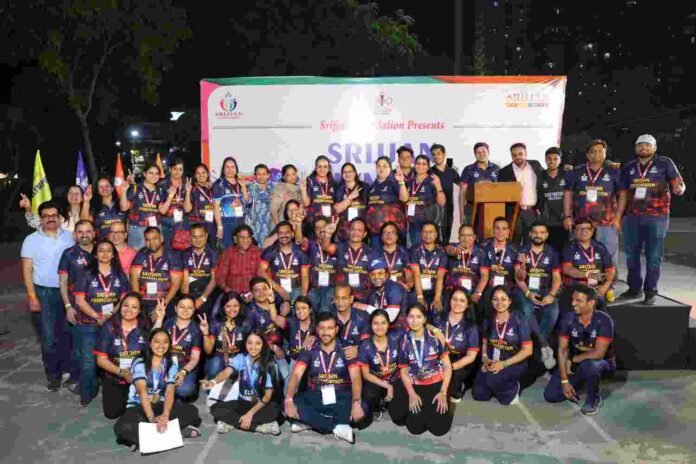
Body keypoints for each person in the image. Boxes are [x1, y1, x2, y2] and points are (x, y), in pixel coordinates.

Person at [615, 134, 686, 305]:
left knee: (653, 255)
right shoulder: (629, 167)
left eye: (647, 145)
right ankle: (634, 289)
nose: (643, 148)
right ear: (636, 148)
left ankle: (650, 291)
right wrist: (619, 216)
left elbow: (678, 184)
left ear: (654, 148)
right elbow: (623, 193)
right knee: (631, 255)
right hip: (632, 217)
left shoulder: (664, 162)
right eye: (640, 145)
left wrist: (679, 189)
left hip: (657, 217)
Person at [113, 328, 202, 451]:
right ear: (150, 344)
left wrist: (165, 415)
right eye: (157, 342)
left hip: (161, 405)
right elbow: (142, 392)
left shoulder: (171, 364)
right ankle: (172, 433)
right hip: (140, 407)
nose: (161, 345)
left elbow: (169, 391)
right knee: (122, 427)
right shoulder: (140, 362)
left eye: (165, 342)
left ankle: (146, 439)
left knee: (191, 411)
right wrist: (151, 419)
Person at [284, 312, 365, 444]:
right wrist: (288, 399)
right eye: (322, 328)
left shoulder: (347, 348)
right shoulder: (309, 347)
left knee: (364, 408)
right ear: (317, 330)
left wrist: (356, 403)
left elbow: (356, 377)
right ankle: (337, 427)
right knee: (287, 405)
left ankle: (310, 422)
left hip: (341, 395)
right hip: (316, 394)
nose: (325, 332)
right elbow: (296, 374)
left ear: (336, 329)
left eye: (330, 328)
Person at [21, 201, 76, 392]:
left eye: (54, 215)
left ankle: (67, 369)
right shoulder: (31, 240)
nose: (50, 219)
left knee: (67, 332)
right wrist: (32, 296)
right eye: (46, 216)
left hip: (68, 292)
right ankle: (53, 375)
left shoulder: (69, 237)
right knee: (49, 336)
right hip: (44, 293)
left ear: (59, 217)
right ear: (41, 218)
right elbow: (27, 270)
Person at [563, 139, 621, 301]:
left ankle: (608, 287)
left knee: (609, 255)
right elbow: (568, 194)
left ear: (605, 153)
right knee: (579, 255)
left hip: (606, 221)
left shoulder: (614, 172)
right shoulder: (577, 171)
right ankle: (579, 286)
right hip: (581, 222)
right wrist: (567, 216)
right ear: (587, 155)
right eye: (593, 151)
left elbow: (623, 194)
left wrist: (617, 217)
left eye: (600, 151)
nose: (597, 154)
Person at [73, 240, 130, 406]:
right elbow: (79, 300)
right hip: (88, 324)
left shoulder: (120, 275)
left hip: (112, 325)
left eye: (108, 251)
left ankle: (113, 392)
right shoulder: (86, 273)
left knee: (112, 359)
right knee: (88, 362)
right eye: (101, 250)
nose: (105, 254)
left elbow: (124, 299)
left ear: (113, 254)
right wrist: (97, 316)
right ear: (95, 254)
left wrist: (111, 314)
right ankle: (87, 393)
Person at [544, 285, 616, 415]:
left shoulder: (604, 320)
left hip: (602, 364)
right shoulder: (568, 318)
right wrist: (565, 381)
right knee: (551, 395)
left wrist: (573, 359)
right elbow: (562, 350)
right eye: (573, 300)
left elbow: (599, 353)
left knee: (591, 365)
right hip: (576, 365)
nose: (573, 303)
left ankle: (594, 398)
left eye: (578, 300)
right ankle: (584, 382)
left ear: (591, 303)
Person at [390, 303, 453, 436]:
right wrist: (412, 394)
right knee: (415, 429)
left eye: (418, 317)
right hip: (416, 385)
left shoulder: (436, 338)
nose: (414, 320)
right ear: (406, 319)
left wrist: (443, 392)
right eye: (411, 317)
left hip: (436, 385)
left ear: (424, 319)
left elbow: (447, 366)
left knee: (440, 429)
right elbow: (404, 372)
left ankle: (435, 407)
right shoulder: (403, 342)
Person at [206, 331, 282, 435]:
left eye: (258, 343)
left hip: (261, 405)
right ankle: (258, 427)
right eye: (250, 343)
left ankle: (233, 423)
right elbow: (227, 371)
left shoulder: (270, 364)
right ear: (245, 344)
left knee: (275, 411)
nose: (253, 347)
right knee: (215, 409)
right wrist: (213, 381)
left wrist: (250, 414)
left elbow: (267, 397)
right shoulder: (241, 358)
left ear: (263, 345)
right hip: (243, 403)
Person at [472, 286, 533, 405]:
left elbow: (528, 350)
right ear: (491, 301)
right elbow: (485, 341)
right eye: (495, 299)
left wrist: (503, 364)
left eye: (503, 299)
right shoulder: (488, 319)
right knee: (479, 395)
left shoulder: (520, 320)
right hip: (493, 361)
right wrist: (485, 359)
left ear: (510, 301)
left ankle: (515, 386)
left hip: (513, 362)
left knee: (504, 397)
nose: (499, 303)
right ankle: (498, 384)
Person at [94, 292, 149, 419]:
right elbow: (100, 360)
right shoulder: (109, 326)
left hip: (138, 377)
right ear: (120, 306)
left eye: (134, 307)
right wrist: (121, 372)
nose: (129, 310)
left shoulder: (145, 327)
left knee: (138, 413)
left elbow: (155, 349)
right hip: (115, 376)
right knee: (112, 414)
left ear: (140, 310)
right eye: (125, 305)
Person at [514, 221, 561, 369]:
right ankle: (544, 345)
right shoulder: (522, 251)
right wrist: (528, 293)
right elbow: (519, 278)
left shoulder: (552, 252)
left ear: (546, 235)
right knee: (527, 310)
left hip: (545, 290)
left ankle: (537, 345)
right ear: (530, 234)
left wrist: (551, 295)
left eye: (541, 232)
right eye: (535, 232)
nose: (538, 235)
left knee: (553, 311)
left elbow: (557, 278)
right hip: (526, 289)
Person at [57, 219, 96, 395]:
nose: (84, 235)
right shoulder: (68, 254)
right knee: (79, 347)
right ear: (75, 235)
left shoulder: (103, 250)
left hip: (100, 308)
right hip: (77, 309)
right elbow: (63, 282)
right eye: (80, 232)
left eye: (88, 231)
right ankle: (77, 379)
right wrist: (67, 306)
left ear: (94, 233)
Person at [153, 296, 203, 401]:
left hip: (184, 366)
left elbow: (195, 359)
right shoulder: (168, 323)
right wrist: (160, 318)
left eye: (189, 308)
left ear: (194, 310)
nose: (185, 310)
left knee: (184, 390)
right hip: (165, 363)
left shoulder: (196, 330)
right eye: (182, 307)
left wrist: (183, 373)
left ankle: (186, 390)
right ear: (175, 308)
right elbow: (153, 339)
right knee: (156, 383)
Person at [434, 288, 479, 402]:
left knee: (452, 393)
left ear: (468, 304)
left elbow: (471, 356)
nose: (457, 303)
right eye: (454, 299)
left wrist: (450, 367)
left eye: (462, 300)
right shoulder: (439, 317)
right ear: (449, 300)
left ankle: (460, 385)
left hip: (458, 361)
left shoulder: (471, 326)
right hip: (437, 357)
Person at [561, 219, 615, 310]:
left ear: (592, 231)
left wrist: (606, 286)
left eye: (587, 229)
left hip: (596, 287)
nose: (584, 231)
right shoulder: (569, 248)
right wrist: (587, 274)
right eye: (580, 229)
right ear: (574, 231)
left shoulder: (600, 248)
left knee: (600, 305)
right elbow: (567, 269)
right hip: (575, 288)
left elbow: (610, 270)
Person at [358, 309, 401, 421]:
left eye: (383, 323)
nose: (379, 327)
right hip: (376, 380)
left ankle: (388, 403)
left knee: (399, 417)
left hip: (395, 378)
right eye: (376, 323)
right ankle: (378, 405)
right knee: (370, 395)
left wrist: (435, 329)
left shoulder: (396, 338)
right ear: (370, 325)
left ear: (388, 324)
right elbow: (366, 374)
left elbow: (417, 327)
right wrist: (388, 386)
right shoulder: (365, 345)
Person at [130, 227, 183, 318]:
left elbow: (176, 284)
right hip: (143, 301)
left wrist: (162, 306)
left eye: (155, 239)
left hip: (165, 301)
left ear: (161, 238)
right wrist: (138, 303)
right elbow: (134, 279)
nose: (151, 242)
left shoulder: (172, 256)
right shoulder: (141, 254)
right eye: (148, 240)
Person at [497, 143, 544, 246]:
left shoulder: (535, 166)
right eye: (514, 155)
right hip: (513, 212)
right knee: (513, 242)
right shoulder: (504, 172)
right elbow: (501, 194)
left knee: (531, 243)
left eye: (520, 154)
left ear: (526, 153)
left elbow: (543, 184)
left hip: (532, 211)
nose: (517, 157)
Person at [266, 295, 315, 389]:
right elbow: (275, 318)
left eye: (304, 308)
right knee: (289, 390)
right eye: (297, 309)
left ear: (310, 310)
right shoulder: (292, 322)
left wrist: (315, 337)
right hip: (294, 361)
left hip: (311, 364)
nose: (300, 311)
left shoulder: (316, 325)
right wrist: (271, 302)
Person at [322, 217, 373, 304]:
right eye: (353, 229)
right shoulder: (341, 247)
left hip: (363, 295)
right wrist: (328, 234)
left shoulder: (370, 252)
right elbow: (326, 248)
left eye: (359, 230)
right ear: (348, 231)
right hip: (341, 295)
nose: (355, 232)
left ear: (364, 234)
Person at [258, 221, 309, 306]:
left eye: (287, 232)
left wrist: (303, 297)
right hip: (276, 288)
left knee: (298, 305)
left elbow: (305, 276)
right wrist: (277, 287)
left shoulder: (301, 252)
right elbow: (260, 272)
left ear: (292, 234)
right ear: (277, 235)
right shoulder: (270, 251)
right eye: (281, 233)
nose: (284, 235)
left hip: (296, 288)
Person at [441, 224, 489, 313]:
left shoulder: (481, 253)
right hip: (452, 292)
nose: (466, 239)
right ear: (458, 237)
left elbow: (484, 276)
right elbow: (448, 249)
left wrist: (478, 293)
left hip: (472, 292)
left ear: (474, 237)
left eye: (469, 235)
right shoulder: (453, 247)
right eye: (463, 235)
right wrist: (455, 251)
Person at [203, 291, 248, 379]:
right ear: (223, 307)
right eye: (228, 306)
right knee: (215, 362)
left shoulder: (245, 324)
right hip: (219, 360)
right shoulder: (216, 324)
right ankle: (214, 383)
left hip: (237, 360)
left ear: (240, 306)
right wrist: (205, 333)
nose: (232, 309)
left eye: (235, 306)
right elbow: (208, 351)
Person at [366, 156, 409, 249]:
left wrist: (401, 182)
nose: (381, 168)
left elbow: (404, 198)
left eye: (384, 166)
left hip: (392, 233)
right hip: (375, 233)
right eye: (379, 166)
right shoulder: (372, 186)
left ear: (390, 168)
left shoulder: (395, 182)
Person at [482, 217, 518, 323]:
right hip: (488, 288)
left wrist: (523, 268)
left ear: (508, 231)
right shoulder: (483, 247)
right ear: (493, 230)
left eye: (504, 228)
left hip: (508, 288)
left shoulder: (515, 250)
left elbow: (519, 276)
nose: (500, 232)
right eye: (497, 228)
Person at [120, 162, 163, 250]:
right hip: (137, 228)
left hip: (155, 227)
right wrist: (124, 191)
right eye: (151, 173)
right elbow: (124, 208)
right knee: (136, 254)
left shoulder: (160, 191)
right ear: (144, 174)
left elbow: (163, 210)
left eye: (156, 173)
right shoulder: (136, 188)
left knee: (155, 253)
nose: (154, 176)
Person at [405, 155, 446, 248]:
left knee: (426, 249)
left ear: (428, 167)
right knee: (414, 249)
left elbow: (442, 203)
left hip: (427, 222)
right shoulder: (409, 181)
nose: (420, 166)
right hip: (412, 222)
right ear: (414, 165)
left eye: (424, 164)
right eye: (418, 163)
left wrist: (438, 186)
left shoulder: (433, 181)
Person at [409, 222, 448, 317]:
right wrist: (420, 297)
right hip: (419, 290)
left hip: (435, 290)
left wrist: (437, 298)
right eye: (425, 232)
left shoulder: (442, 252)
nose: (427, 235)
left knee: (438, 308)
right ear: (421, 234)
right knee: (417, 306)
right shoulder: (414, 250)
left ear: (436, 234)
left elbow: (440, 277)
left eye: (431, 232)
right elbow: (416, 274)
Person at [458, 142, 500, 228]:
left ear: (488, 152)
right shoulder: (468, 169)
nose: (481, 154)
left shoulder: (496, 169)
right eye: (478, 152)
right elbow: (462, 192)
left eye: (484, 151)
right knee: (471, 232)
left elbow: (502, 189)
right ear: (475, 154)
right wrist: (461, 213)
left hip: (493, 209)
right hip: (472, 208)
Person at [181, 224, 218, 317]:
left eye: (201, 236)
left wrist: (202, 299)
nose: (198, 240)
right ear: (190, 237)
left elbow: (214, 280)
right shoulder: (185, 254)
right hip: (190, 293)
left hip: (207, 294)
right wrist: (187, 301)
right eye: (195, 237)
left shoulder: (214, 253)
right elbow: (185, 280)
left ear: (206, 236)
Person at [536, 147, 568, 253]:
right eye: (549, 158)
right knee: (548, 251)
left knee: (563, 250)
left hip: (563, 221)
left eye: (555, 159)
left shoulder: (567, 175)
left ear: (560, 160)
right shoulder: (540, 176)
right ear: (545, 160)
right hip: (546, 221)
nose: (552, 161)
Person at [213, 156, 250, 248]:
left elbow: (247, 201)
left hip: (241, 220)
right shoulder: (219, 184)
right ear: (223, 169)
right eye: (227, 167)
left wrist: (243, 186)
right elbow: (216, 207)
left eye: (233, 167)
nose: (230, 170)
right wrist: (220, 227)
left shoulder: (240, 182)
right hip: (226, 222)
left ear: (236, 168)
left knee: (241, 248)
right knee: (228, 250)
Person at [215, 224, 263, 295]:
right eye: (242, 238)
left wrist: (255, 292)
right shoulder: (228, 253)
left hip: (255, 294)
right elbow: (220, 276)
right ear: (235, 239)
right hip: (232, 294)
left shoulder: (258, 253)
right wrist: (226, 289)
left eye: (248, 237)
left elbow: (263, 276)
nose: (246, 240)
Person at [20, 186, 90, 233]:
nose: (73, 195)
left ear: (82, 197)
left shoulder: (88, 214)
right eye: (71, 193)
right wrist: (28, 209)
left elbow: (84, 224)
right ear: (67, 196)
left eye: (77, 193)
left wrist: (86, 202)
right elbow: (37, 223)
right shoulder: (61, 213)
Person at [304, 217, 337, 313]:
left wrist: (328, 235)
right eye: (317, 228)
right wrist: (298, 223)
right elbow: (299, 239)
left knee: (325, 310)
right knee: (310, 310)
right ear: (314, 231)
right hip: (314, 287)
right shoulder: (310, 244)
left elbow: (327, 247)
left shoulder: (336, 245)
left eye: (323, 226)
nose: (321, 229)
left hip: (330, 287)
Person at [363, 259, 406, 331]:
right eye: (373, 274)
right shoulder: (372, 290)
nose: (376, 277)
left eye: (380, 273)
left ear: (387, 275)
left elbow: (390, 317)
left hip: (398, 331)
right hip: (381, 330)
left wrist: (366, 307)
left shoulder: (394, 289)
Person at [429, 143, 460, 244]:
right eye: (433, 154)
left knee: (448, 238)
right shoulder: (429, 172)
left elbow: (460, 190)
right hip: (435, 211)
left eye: (438, 153)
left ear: (444, 154)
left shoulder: (452, 172)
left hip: (450, 210)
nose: (436, 156)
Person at [330, 284, 370, 360]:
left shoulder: (363, 317)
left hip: (356, 360)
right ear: (334, 299)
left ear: (351, 299)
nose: (340, 302)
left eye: (344, 298)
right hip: (333, 360)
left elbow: (367, 343)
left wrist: (359, 351)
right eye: (337, 298)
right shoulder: (328, 317)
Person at [332, 162, 368, 242]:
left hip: (360, 229)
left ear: (355, 173)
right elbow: (336, 210)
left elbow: (370, 207)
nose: (347, 174)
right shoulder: (338, 189)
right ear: (342, 174)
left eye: (350, 171)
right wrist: (349, 198)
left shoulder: (364, 187)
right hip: (343, 229)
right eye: (345, 172)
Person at [375, 221, 413, 293]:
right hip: (382, 290)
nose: (389, 235)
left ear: (397, 236)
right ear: (381, 236)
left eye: (392, 232)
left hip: (401, 289)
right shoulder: (375, 253)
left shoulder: (404, 252)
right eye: (385, 232)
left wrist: (408, 285)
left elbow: (409, 274)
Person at [183, 163, 216, 245]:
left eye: (203, 172)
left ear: (208, 174)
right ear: (195, 175)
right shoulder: (192, 189)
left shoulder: (213, 188)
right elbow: (187, 209)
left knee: (212, 249)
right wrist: (188, 192)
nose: (201, 175)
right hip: (196, 224)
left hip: (211, 224)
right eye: (198, 173)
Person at [157, 157, 187, 246]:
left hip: (182, 222)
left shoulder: (186, 184)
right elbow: (161, 210)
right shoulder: (161, 184)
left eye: (180, 169)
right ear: (170, 169)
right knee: (166, 249)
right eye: (175, 169)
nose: (177, 172)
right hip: (166, 222)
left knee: (182, 248)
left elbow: (188, 208)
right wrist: (170, 196)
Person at [246, 163, 276, 245]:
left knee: (270, 247)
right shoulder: (250, 187)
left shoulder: (274, 187)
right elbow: (246, 202)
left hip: (270, 224)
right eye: (258, 174)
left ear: (268, 175)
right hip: (254, 224)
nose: (261, 176)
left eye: (264, 174)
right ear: (255, 175)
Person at [301, 155, 335, 224]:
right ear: (315, 168)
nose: (322, 169)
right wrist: (303, 190)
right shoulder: (310, 181)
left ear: (329, 168)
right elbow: (306, 203)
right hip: (313, 220)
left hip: (328, 220)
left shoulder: (332, 183)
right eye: (319, 166)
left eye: (325, 167)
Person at [269, 164, 302, 228]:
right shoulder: (280, 188)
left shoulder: (299, 189)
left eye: (293, 174)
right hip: (281, 224)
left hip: (296, 225)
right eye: (288, 175)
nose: (292, 177)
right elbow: (273, 210)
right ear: (283, 177)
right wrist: (279, 226)